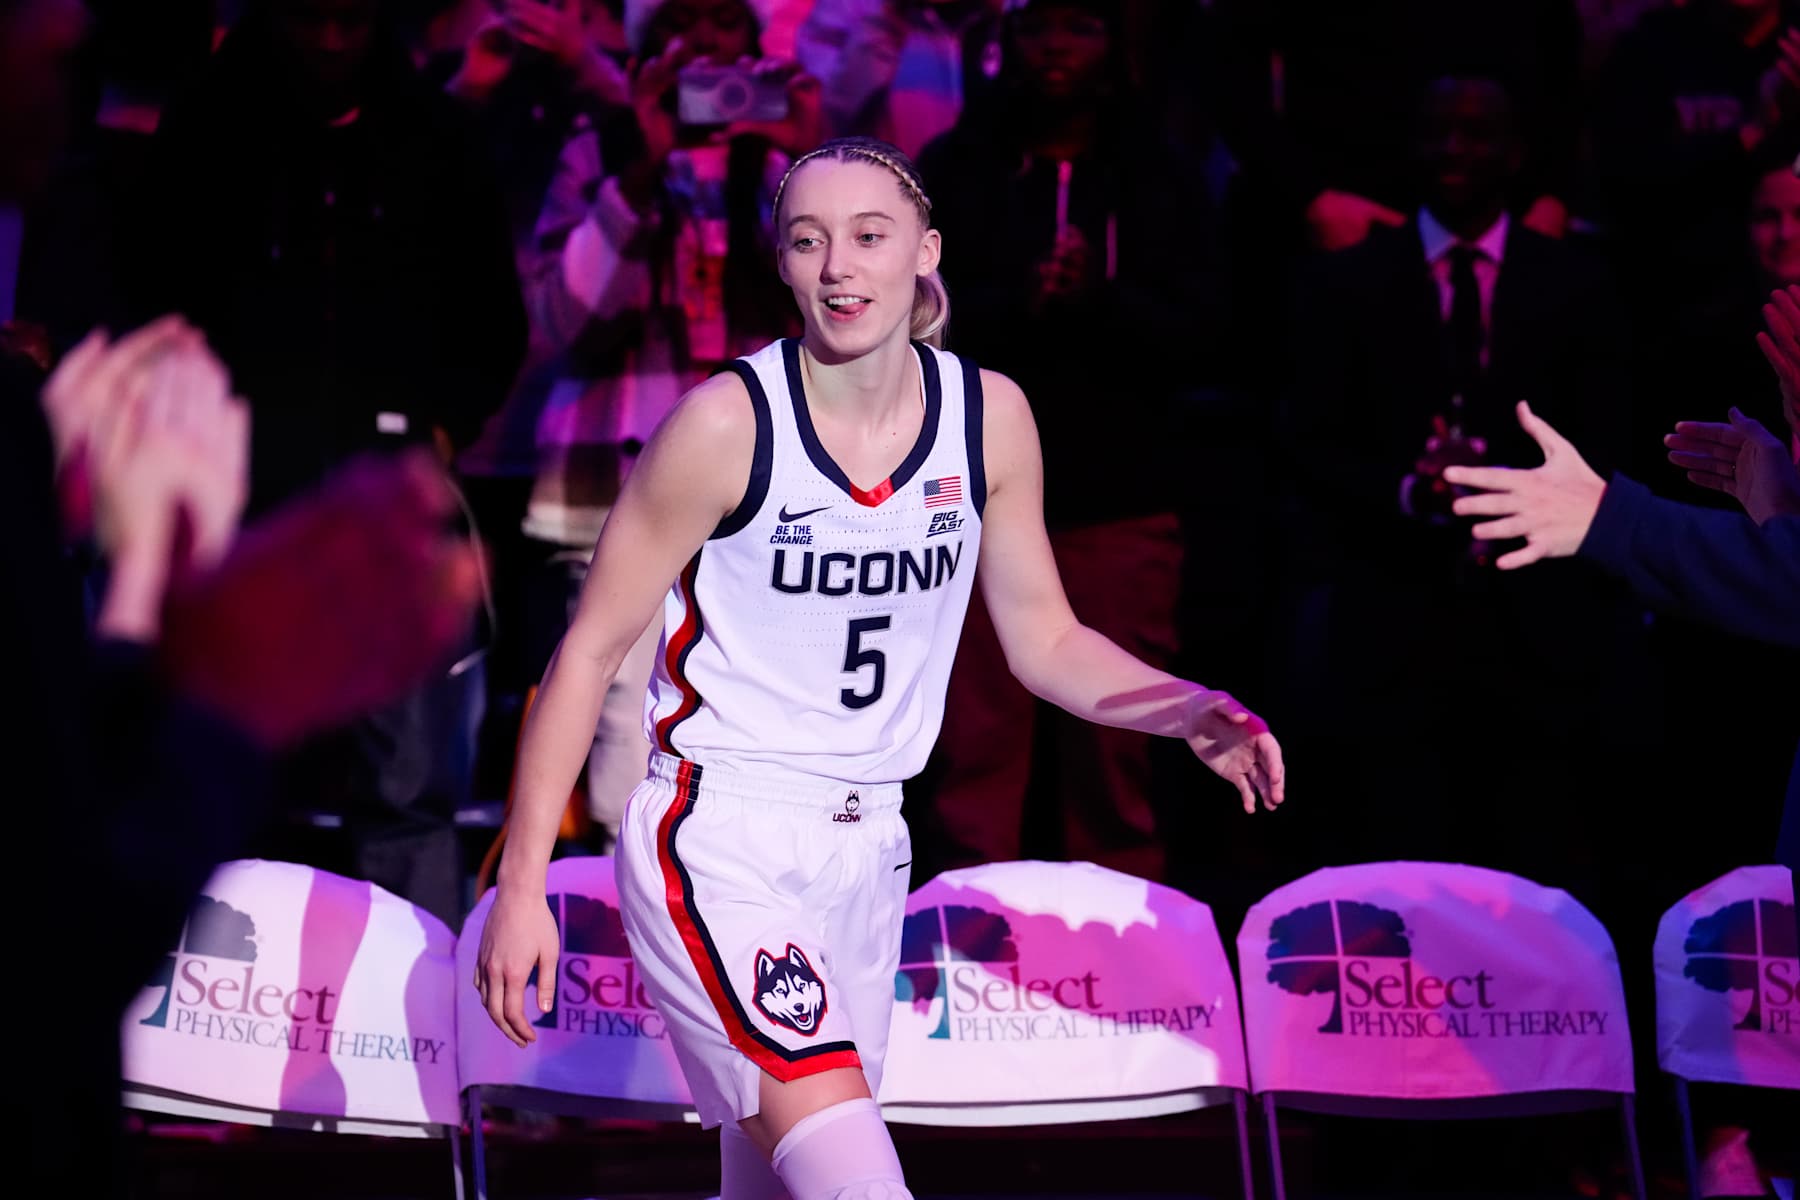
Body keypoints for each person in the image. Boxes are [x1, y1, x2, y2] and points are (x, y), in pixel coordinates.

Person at [475, 135, 1284, 1198]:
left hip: (869, 848)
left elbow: (1043, 640)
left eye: (869, 236)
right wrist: (523, 882)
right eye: (808, 242)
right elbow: (587, 649)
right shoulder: (726, 422)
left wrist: (1185, 710)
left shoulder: (988, 415)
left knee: (771, 1186)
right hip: (720, 840)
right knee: (861, 1184)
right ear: (783, 263)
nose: (839, 267)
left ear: (927, 251)